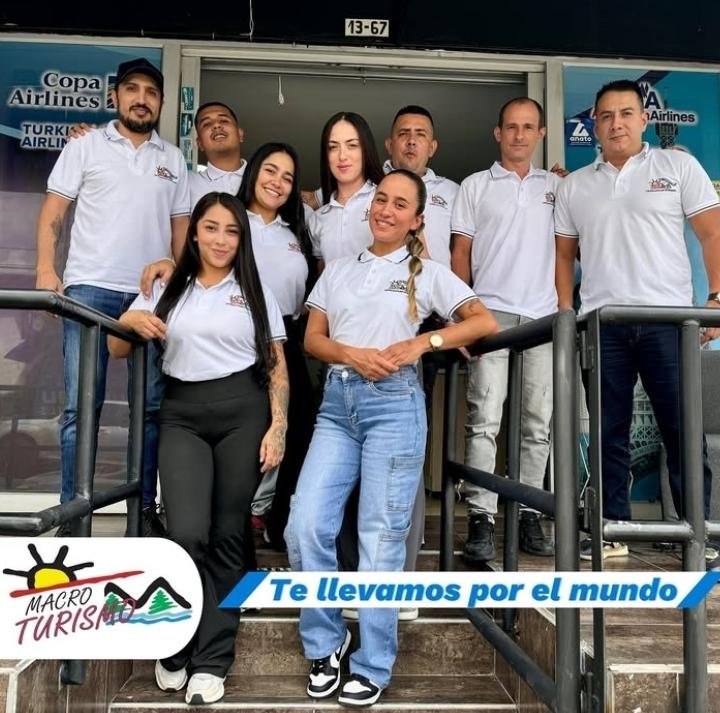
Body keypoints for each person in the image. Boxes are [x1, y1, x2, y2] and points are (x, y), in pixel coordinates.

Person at [285, 169, 498, 707]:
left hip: (395, 406)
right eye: (381, 199)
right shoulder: (338, 270)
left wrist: (423, 343)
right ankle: (325, 643)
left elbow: (483, 322)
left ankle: (373, 662)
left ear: (417, 220)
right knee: (305, 524)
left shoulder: (426, 273)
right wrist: (352, 354)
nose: (386, 209)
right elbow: (312, 339)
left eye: (400, 204)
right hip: (338, 405)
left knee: (381, 536)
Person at [108, 192, 289, 704]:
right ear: (194, 233)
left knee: (228, 533)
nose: (220, 240)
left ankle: (213, 659)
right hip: (182, 412)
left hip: (243, 412)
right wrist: (129, 322)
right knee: (187, 533)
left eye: (231, 231)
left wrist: (278, 426)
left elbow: (276, 365)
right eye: (211, 228)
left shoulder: (255, 291)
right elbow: (116, 347)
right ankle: (177, 641)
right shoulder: (167, 285)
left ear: (241, 239)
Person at [554, 79, 720, 561]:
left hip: (669, 321)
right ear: (594, 124)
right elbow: (563, 257)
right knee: (608, 431)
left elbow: (712, 234)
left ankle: (696, 535)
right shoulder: (575, 185)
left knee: (682, 429)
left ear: (644, 120)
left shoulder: (677, 166)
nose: (616, 123)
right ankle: (613, 528)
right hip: (602, 325)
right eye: (605, 116)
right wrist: (566, 317)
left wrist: (715, 299)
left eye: (626, 113)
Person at [35, 57, 189, 536]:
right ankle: (72, 516)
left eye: (151, 92)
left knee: (149, 410)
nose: (142, 99)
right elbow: (54, 212)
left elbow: (180, 232)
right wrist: (45, 270)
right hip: (89, 290)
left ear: (160, 102)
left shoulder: (173, 159)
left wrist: (180, 289)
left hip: (151, 296)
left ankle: (141, 516)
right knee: (82, 408)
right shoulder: (84, 146)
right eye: (132, 89)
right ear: (115, 97)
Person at [451, 97, 558, 563]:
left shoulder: (558, 187)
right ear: (498, 133)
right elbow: (460, 253)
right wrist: (463, 316)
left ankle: (528, 513)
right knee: (484, 420)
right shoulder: (475, 185)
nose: (519, 135)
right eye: (511, 127)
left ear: (541, 134)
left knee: (537, 423)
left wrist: (565, 313)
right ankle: (482, 516)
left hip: (542, 318)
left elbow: (568, 252)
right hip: (490, 315)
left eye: (528, 127)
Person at [236, 142, 317, 548]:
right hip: (237, 332)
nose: (277, 182)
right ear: (253, 172)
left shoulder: (298, 229)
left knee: (300, 424)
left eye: (287, 177)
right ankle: (235, 521)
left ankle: (278, 517)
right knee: (245, 429)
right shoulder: (232, 218)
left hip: (286, 333)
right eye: (270, 170)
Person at [309, 111, 384, 266]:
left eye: (352, 145)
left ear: (366, 149)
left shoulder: (385, 200)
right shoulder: (318, 218)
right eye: (333, 147)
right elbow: (323, 273)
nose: (342, 156)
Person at [188, 101, 247, 206]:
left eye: (224, 120)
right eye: (206, 124)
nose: (216, 125)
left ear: (240, 134)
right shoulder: (187, 184)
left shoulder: (263, 179)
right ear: (199, 143)